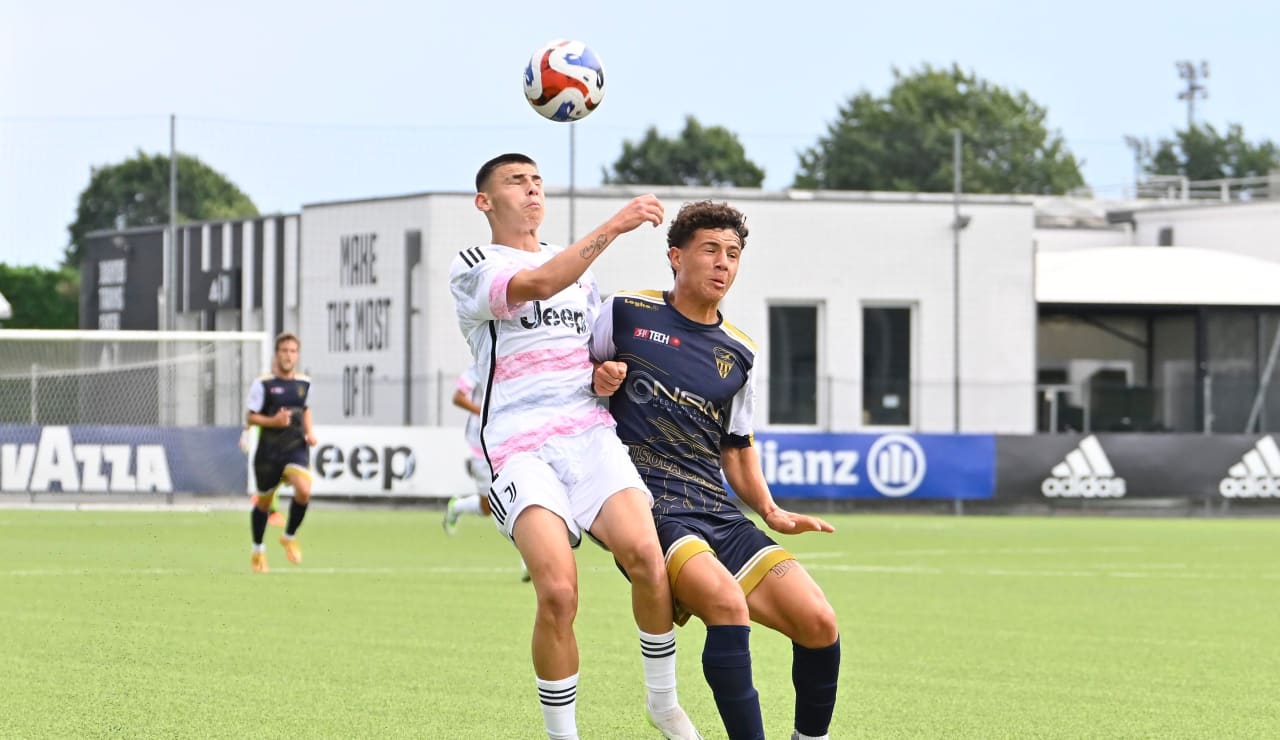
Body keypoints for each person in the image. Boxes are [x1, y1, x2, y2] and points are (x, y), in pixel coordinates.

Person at [448, 152, 701, 740]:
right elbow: (539, 283)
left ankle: (663, 704)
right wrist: (617, 224)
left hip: (588, 435)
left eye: (537, 180)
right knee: (559, 593)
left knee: (648, 559)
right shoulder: (476, 264)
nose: (532, 189)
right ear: (485, 201)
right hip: (519, 448)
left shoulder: (580, 273)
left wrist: (601, 375)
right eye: (516, 181)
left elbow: (589, 355)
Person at [589, 201, 841, 740]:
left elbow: (737, 446)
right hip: (651, 507)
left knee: (819, 622)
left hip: (717, 510)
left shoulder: (741, 352)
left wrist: (770, 510)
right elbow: (574, 376)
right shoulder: (624, 311)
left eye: (733, 253)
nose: (723, 262)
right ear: (676, 257)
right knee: (727, 604)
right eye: (710, 249)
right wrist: (596, 376)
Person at [442, 363, 531, 582]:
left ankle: (529, 560)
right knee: (487, 507)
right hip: (480, 444)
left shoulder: (515, 363)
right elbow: (458, 398)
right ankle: (457, 506)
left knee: (520, 498)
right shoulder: (479, 366)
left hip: (508, 440)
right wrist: (484, 413)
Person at [244, 332, 317, 573]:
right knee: (264, 504)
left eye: (293, 351)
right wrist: (274, 421)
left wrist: (310, 432)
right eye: (284, 350)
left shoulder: (304, 384)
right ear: (277, 354)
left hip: (295, 449)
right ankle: (258, 550)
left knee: (304, 490)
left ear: (297, 355)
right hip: (269, 453)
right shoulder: (263, 384)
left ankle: (288, 536)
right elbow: (250, 417)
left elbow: (305, 409)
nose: (288, 355)